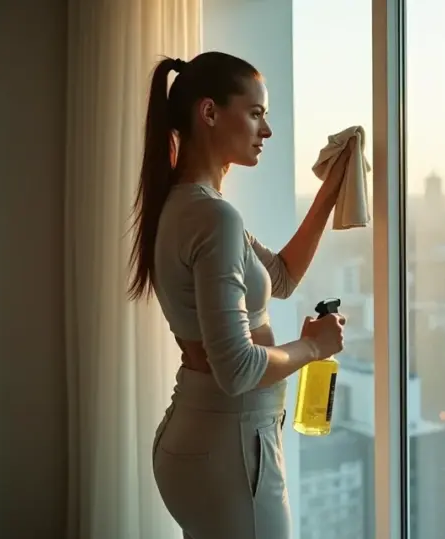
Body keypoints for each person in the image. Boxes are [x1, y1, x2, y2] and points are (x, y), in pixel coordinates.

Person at [127, 52, 346, 539]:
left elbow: (282, 277)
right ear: (209, 113)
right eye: (255, 113)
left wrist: (330, 190)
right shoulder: (212, 217)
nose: (266, 130)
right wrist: (313, 347)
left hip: (202, 439)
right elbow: (238, 369)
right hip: (228, 449)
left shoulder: (187, 205)